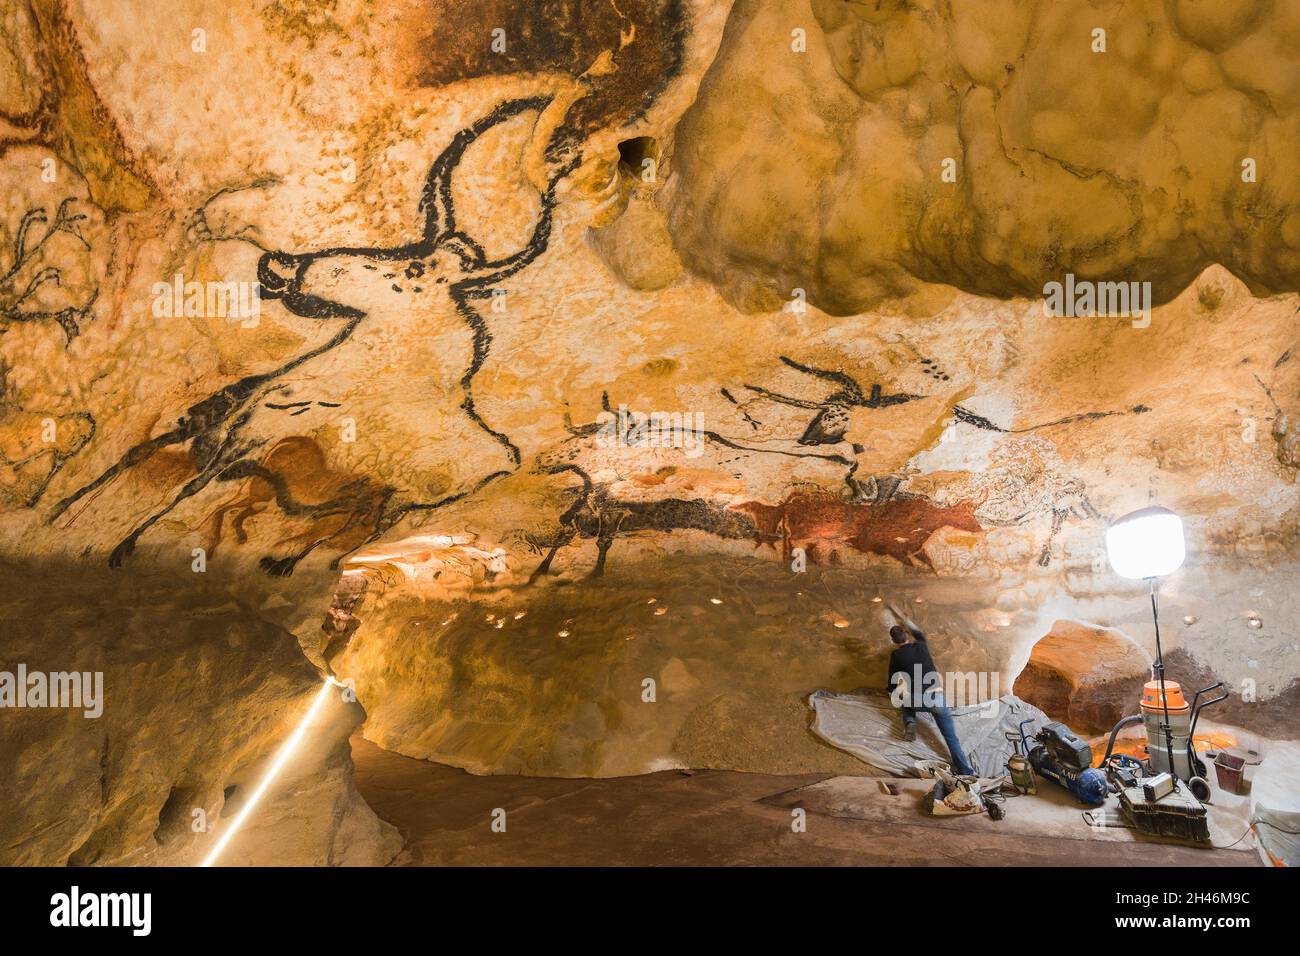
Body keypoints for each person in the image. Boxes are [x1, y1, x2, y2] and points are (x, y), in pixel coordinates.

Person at [886, 605, 975, 776]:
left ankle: (910, 722)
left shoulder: (896, 656)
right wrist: (904, 618)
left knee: (903, 700)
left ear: (893, 641)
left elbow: (892, 679)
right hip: (937, 699)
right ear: (906, 636)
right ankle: (966, 770)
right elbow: (918, 633)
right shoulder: (921, 646)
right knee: (951, 738)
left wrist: (891, 691)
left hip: (917, 700)